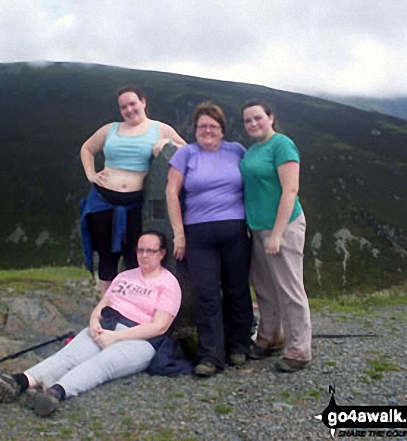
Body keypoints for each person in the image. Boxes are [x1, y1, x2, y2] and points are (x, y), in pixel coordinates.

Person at [0, 231, 184, 417]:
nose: (144, 255)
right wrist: (94, 322)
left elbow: (160, 327)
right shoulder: (125, 276)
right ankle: (18, 382)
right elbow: (104, 304)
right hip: (107, 325)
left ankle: (55, 393)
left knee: (102, 364)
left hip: (141, 340)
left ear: (162, 253)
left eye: (151, 251)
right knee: (68, 356)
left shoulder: (169, 284)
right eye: (140, 250)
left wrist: (116, 337)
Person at [165, 101, 254, 377]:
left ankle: (238, 346)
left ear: (222, 129)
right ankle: (210, 356)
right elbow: (171, 192)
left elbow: (255, 181)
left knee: (237, 288)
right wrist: (179, 233)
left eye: (213, 126)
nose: (207, 130)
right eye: (202, 126)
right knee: (207, 293)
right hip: (199, 235)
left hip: (235, 230)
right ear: (195, 129)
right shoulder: (186, 154)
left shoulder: (237, 151)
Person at [80, 86, 186, 297]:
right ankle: (106, 307)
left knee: (134, 256)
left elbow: (188, 150)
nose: (129, 109)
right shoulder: (110, 129)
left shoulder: (160, 128)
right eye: (124, 107)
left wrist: (168, 143)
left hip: (134, 203)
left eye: (132, 103)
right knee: (106, 256)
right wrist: (91, 174)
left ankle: (132, 304)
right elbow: (87, 149)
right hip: (102, 200)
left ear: (143, 102)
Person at [239, 99, 312, 373]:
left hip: (283, 226)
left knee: (289, 288)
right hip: (257, 227)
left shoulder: (282, 145)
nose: (253, 123)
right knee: (265, 288)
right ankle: (270, 338)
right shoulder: (253, 150)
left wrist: (277, 234)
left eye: (258, 117)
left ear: (270, 117)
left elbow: (290, 190)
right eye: (248, 120)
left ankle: (299, 349)